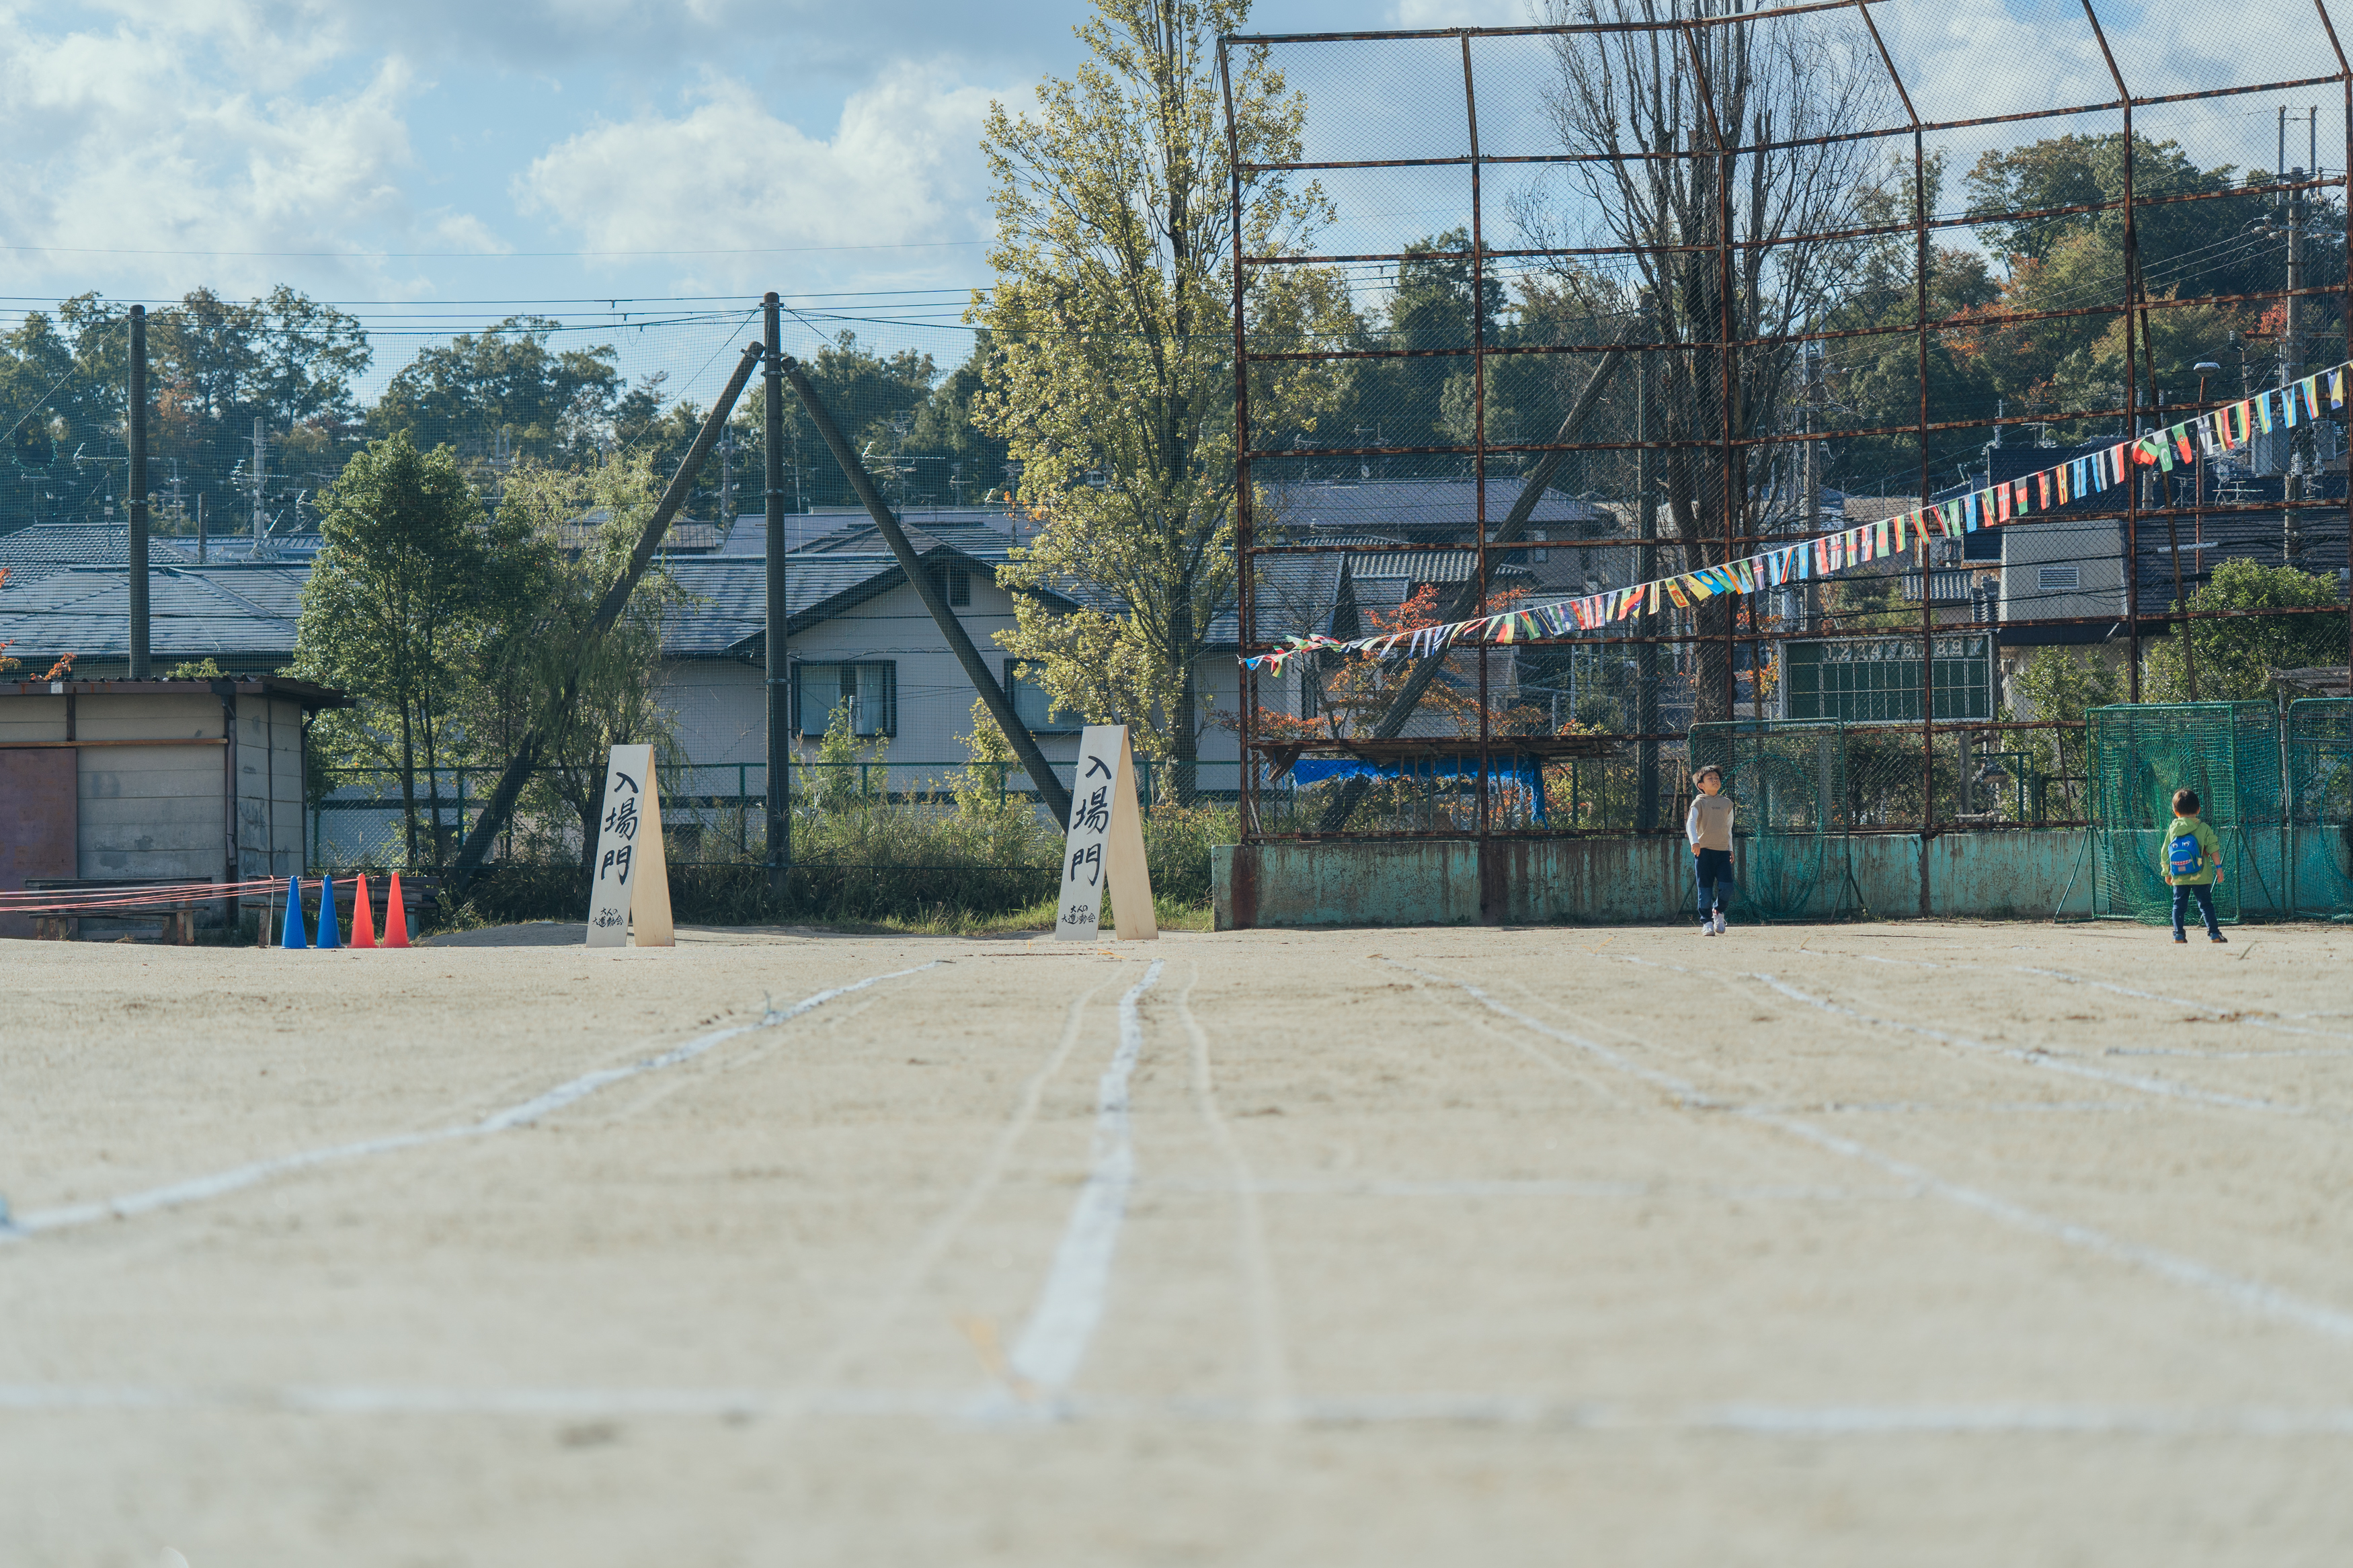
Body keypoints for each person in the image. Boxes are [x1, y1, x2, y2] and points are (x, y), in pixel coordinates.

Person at [2161, 786, 2227, 944]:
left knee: (2178, 905)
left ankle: (2178, 935)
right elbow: (2213, 849)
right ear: (2198, 809)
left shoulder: (2173, 829)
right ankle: (2214, 934)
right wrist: (2218, 867)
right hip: (2201, 875)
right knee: (2206, 905)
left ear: (2176, 812)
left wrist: (2166, 872)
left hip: (2179, 875)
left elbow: (2166, 851)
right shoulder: (2204, 828)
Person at [1687, 764, 1735, 935]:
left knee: (1727, 887)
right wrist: (1695, 842)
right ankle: (1706, 922)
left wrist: (1730, 849)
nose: (1715, 781)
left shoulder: (1727, 803)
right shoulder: (1699, 802)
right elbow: (1690, 824)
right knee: (1705, 889)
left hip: (1722, 852)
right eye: (1710, 779)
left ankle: (1718, 912)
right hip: (1704, 852)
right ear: (1701, 785)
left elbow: (1728, 828)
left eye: (1717, 778)